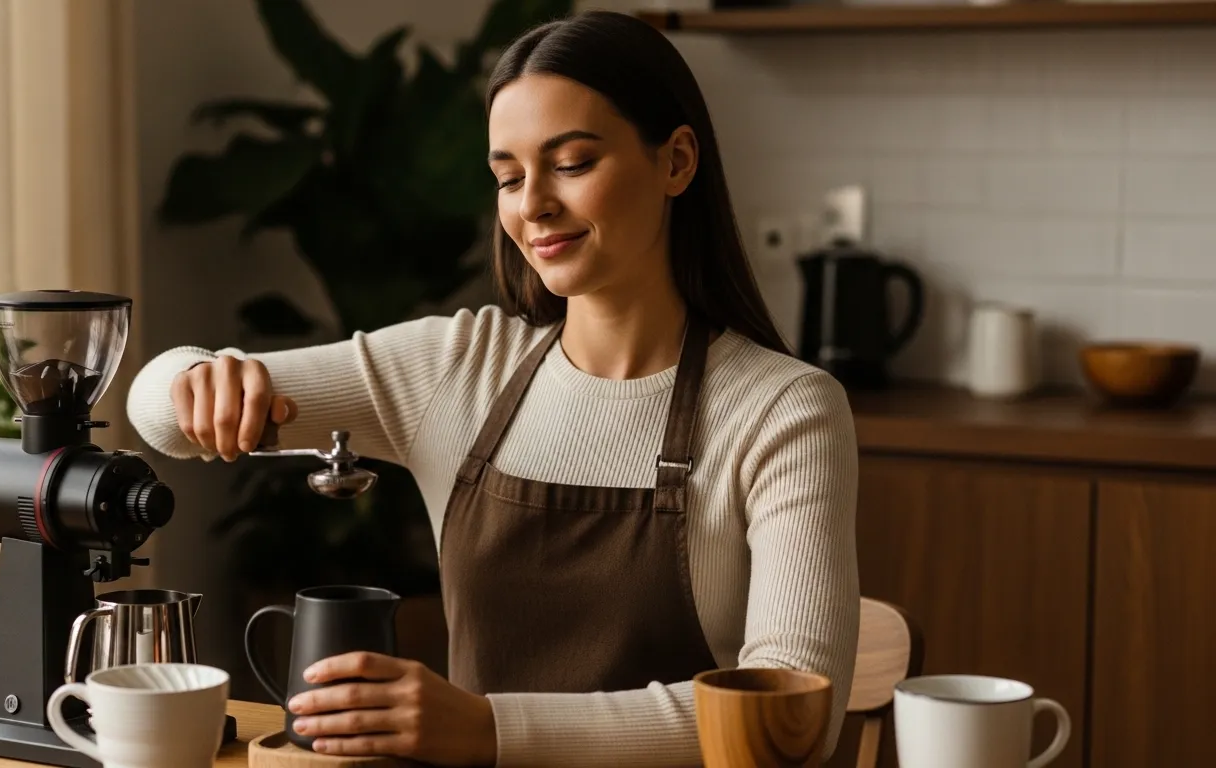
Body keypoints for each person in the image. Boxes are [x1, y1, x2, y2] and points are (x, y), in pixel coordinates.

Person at [127, 9, 859, 767]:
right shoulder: (458, 369)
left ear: (675, 162)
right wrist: (200, 377)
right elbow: (157, 416)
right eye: (508, 176)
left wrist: (487, 730)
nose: (532, 203)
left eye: (571, 163)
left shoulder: (782, 408)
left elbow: (791, 717)